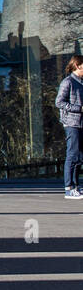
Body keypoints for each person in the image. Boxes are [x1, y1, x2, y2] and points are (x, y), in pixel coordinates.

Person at [55, 55, 83, 200]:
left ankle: (76, 186)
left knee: (79, 156)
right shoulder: (68, 82)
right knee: (72, 154)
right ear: (78, 65)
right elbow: (59, 102)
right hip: (72, 123)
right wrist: (79, 108)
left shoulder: (81, 83)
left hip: (81, 123)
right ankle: (69, 187)